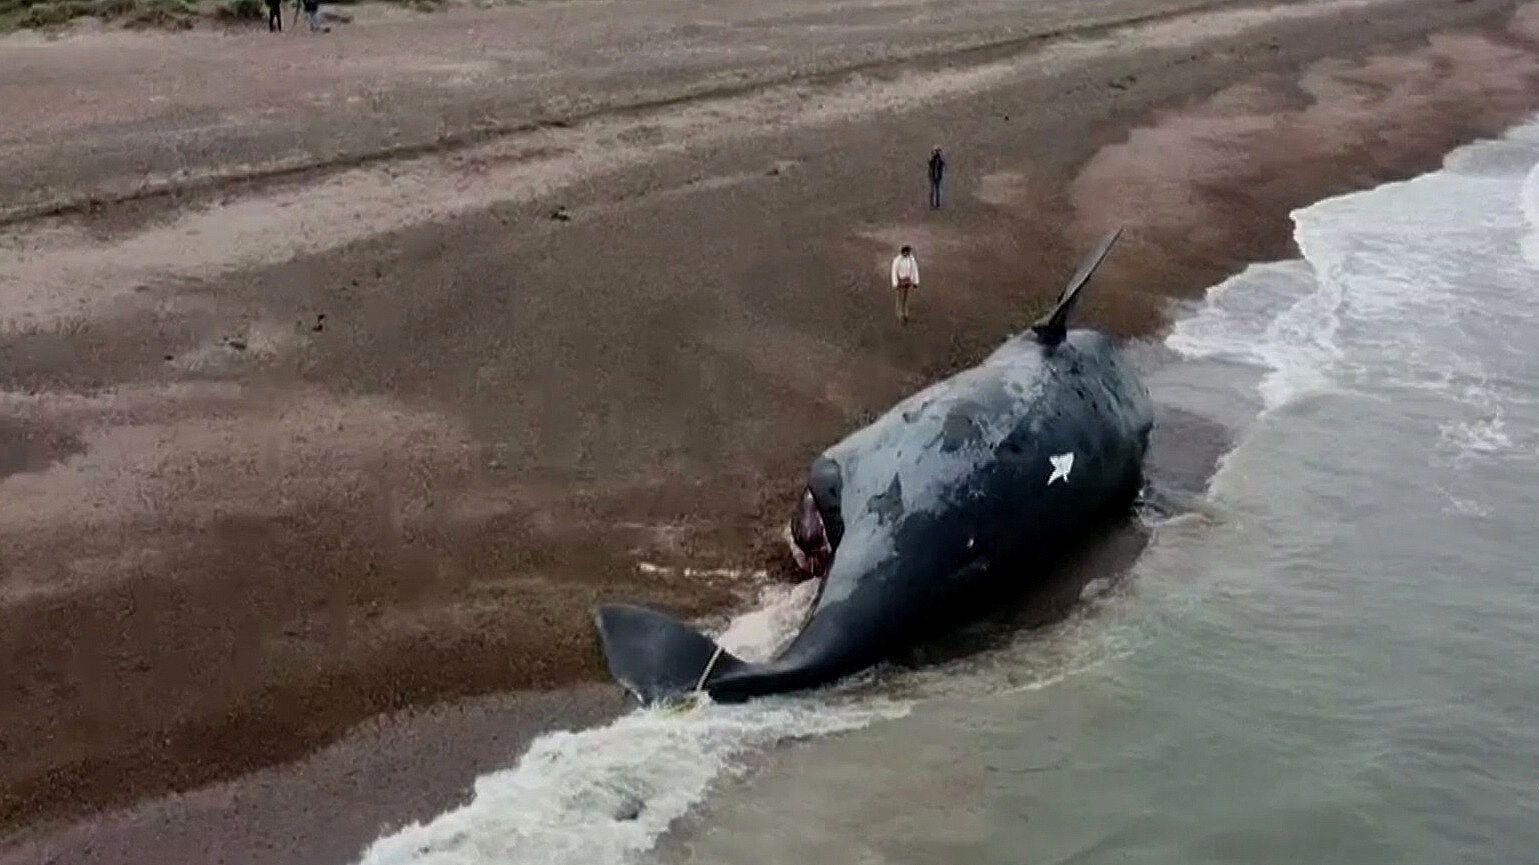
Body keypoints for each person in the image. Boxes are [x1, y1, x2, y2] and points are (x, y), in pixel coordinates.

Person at [890, 245, 919, 325]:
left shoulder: (911, 260)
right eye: (905, 251)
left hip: (907, 281)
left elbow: (914, 270)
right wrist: (895, 283)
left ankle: (905, 314)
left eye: (908, 252)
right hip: (900, 281)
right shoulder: (897, 260)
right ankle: (899, 314)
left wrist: (915, 282)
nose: (907, 253)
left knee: (906, 297)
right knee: (899, 297)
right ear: (902, 252)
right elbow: (894, 272)